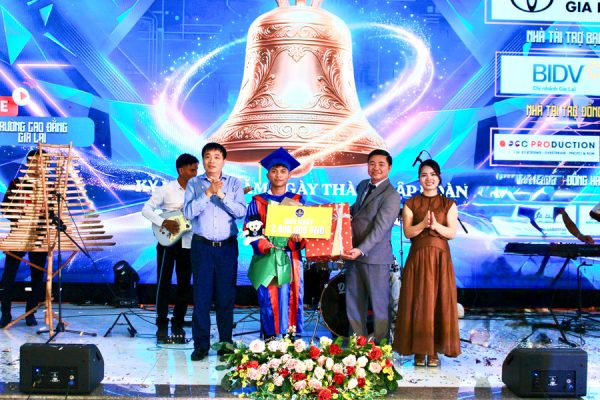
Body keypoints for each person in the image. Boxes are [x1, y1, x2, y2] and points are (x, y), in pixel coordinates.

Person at [393, 159, 460, 367]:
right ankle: (419, 352)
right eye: (423, 175)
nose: (428, 178)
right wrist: (423, 224)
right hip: (418, 258)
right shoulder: (411, 204)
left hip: (440, 259)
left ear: (439, 177)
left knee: (439, 301)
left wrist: (436, 226)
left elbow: (451, 233)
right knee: (418, 302)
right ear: (419, 179)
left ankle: (434, 352)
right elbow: (408, 232)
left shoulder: (449, 204)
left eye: (432, 174)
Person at [183, 142, 246, 361]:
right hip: (202, 247)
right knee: (201, 297)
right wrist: (208, 194)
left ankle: (225, 344)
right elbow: (188, 212)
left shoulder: (234, 183)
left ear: (223, 161)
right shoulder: (194, 183)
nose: (212, 161)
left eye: (217, 157)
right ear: (203, 160)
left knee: (225, 297)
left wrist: (222, 195)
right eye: (207, 156)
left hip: (227, 247)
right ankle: (201, 345)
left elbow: (240, 212)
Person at [244, 147, 306, 340]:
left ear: (289, 175)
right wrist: (264, 244)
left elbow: (306, 227)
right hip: (268, 256)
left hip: (291, 257)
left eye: (283, 171)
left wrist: (299, 238)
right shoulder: (258, 202)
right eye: (274, 171)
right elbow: (251, 229)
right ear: (268, 174)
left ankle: (291, 339)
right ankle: (270, 338)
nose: (278, 175)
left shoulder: (298, 200)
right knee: (268, 298)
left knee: (292, 296)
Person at [342, 149, 401, 343]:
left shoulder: (392, 195)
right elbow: (357, 212)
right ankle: (356, 344)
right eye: (372, 163)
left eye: (381, 164)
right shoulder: (362, 186)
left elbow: (380, 229)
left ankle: (381, 346)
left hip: (375, 257)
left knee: (379, 304)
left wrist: (361, 250)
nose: (376, 168)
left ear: (389, 167)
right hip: (353, 254)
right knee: (354, 302)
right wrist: (340, 213)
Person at [141, 153, 198, 342]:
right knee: (163, 282)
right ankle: (162, 323)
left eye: (196, 170)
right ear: (181, 170)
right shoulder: (166, 189)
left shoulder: (198, 190)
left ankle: (178, 322)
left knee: (184, 284)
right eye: (192, 169)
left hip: (188, 241)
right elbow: (146, 209)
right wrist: (163, 222)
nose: (195, 173)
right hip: (168, 241)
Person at [1, 150, 47, 328]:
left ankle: (30, 313)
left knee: (37, 276)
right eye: (35, 162)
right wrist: (20, 217)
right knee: (8, 276)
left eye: (42, 162)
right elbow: (5, 208)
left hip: (39, 235)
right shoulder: (17, 183)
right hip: (19, 234)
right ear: (28, 163)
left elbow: (54, 212)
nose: (38, 166)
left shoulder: (49, 187)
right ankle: (5, 314)